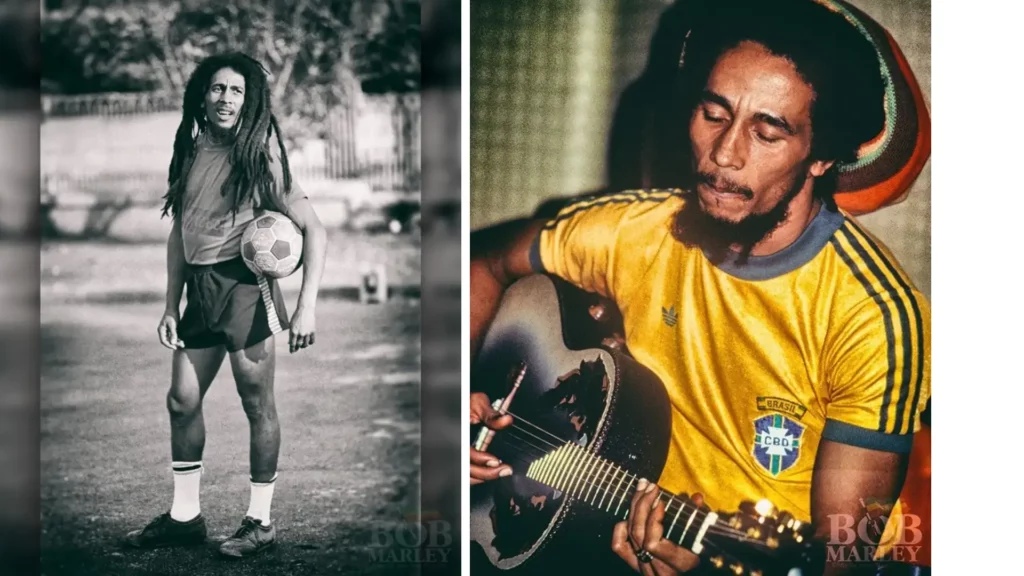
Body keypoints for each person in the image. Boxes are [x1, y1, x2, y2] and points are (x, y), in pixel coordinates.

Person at [469, 1, 930, 574]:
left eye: (767, 132)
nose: (724, 153)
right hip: (600, 527)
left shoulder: (872, 315)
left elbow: (841, 558)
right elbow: (485, 263)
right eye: (714, 114)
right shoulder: (633, 231)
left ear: (822, 157)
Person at [123, 52, 328, 558]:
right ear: (201, 94)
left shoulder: (260, 156)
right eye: (217, 89)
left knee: (257, 405)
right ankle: (185, 517)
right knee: (181, 401)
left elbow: (316, 229)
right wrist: (171, 304)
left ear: (249, 100)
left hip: (244, 289)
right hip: (200, 293)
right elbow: (180, 232)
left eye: (237, 91)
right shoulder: (190, 151)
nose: (226, 99)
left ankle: (260, 522)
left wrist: (306, 308)